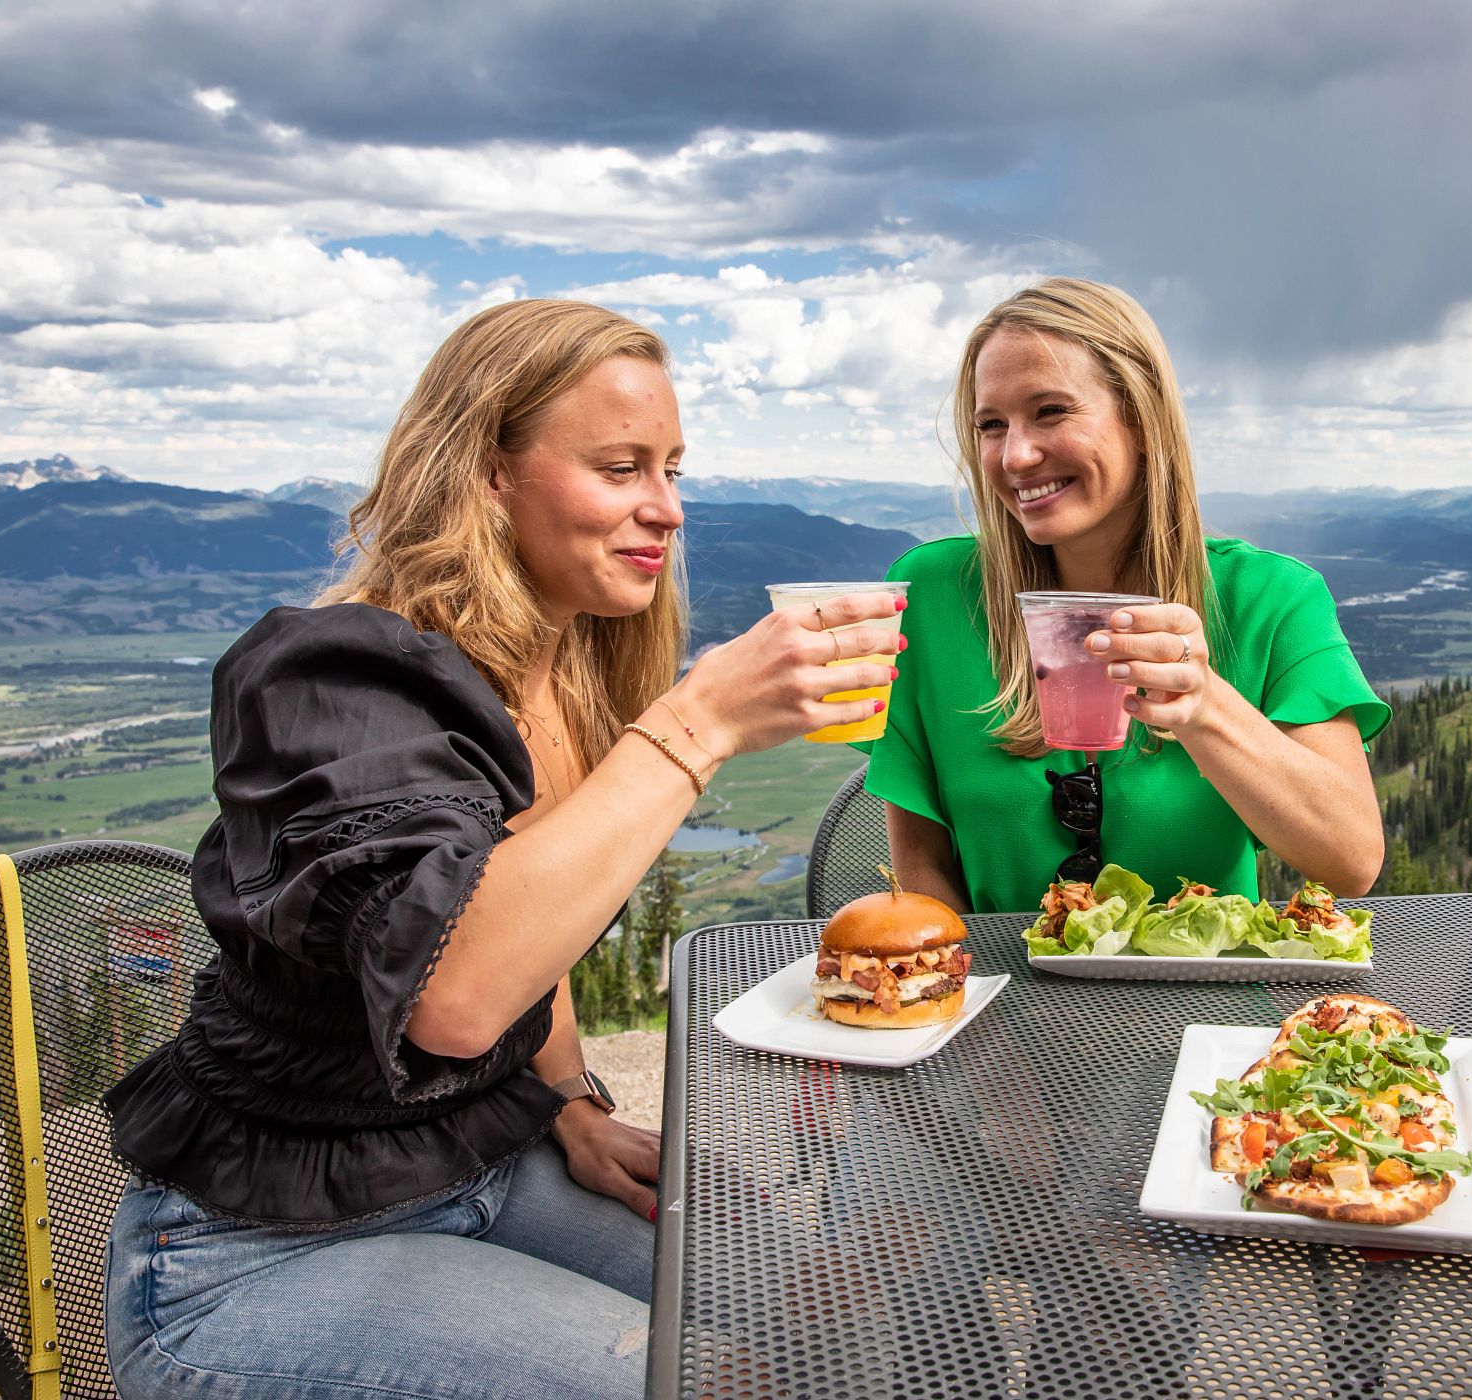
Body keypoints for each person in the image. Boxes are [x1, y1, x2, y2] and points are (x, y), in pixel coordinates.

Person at [100, 299, 904, 1400]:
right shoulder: (332, 678)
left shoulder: (561, 664)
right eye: (621, 467)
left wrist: (569, 1099)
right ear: (487, 471)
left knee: (831, 1323)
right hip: (255, 1255)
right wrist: (697, 722)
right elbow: (456, 990)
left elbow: (542, 926)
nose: (664, 509)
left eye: (673, 469)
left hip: (480, 1163)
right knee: (702, 1383)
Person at [867, 277, 1389, 911]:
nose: (1015, 454)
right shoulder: (932, 595)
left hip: (1203, 1003)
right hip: (996, 1001)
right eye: (991, 425)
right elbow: (921, 867)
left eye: (1050, 411)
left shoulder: (1271, 599)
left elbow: (1352, 863)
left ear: (1142, 419)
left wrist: (1205, 707)